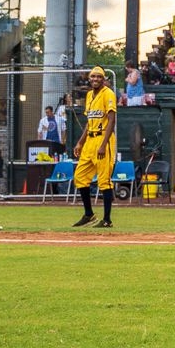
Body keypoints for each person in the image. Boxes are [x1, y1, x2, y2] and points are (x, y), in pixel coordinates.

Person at [72, 66, 118, 227]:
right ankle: (89, 214)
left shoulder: (108, 94)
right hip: (90, 140)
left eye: (99, 77)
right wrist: (80, 142)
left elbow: (112, 120)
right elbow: (88, 122)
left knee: (104, 180)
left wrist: (103, 145)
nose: (96, 79)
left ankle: (107, 220)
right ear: (89, 79)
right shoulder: (90, 95)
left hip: (103, 138)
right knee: (80, 177)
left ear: (103, 79)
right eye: (93, 77)